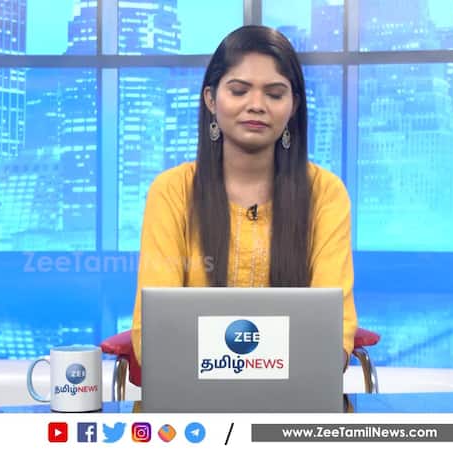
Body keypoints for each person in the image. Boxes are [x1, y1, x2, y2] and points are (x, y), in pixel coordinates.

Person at [130, 25, 357, 370]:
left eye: (275, 95)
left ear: (294, 105)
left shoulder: (325, 193)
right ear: (210, 99)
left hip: (296, 394)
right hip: (192, 394)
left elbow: (332, 336)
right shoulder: (172, 192)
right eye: (239, 91)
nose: (256, 106)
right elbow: (155, 335)